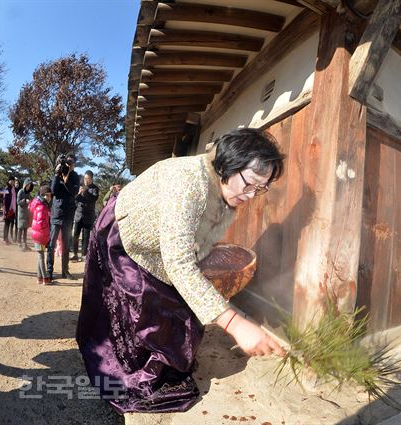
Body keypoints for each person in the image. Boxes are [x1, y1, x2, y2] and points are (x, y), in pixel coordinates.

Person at [77, 128, 285, 413]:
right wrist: (236, 324)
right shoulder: (188, 182)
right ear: (227, 164)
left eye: (261, 189)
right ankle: (127, 376)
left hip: (164, 251)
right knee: (137, 314)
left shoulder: (228, 194)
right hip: (124, 236)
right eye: (250, 183)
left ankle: (162, 367)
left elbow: (193, 247)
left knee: (182, 316)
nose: (252, 194)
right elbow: (178, 263)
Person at [48, 153, 80, 280]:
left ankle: (65, 271)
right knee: (51, 244)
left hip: (68, 215)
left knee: (66, 244)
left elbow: (74, 192)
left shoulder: (75, 176)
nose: (68, 165)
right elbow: (54, 191)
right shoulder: (58, 173)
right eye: (67, 162)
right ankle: (49, 271)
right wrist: (57, 175)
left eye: (71, 163)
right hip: (56, 214)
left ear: (74, 164)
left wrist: (67, 178)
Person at [71, 170, 99, 261]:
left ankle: (84, 255)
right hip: (78, 215)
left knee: (86, 237)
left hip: (88, 216)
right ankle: (75, 254)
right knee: (75, 236)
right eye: (85, 178)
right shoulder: (80, 187)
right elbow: (75, 200)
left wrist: (86, 191)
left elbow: (93, 199)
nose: (86, 180)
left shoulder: (95, 188)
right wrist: (79, 193)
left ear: (92, 179)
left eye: (88, 179)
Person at [30, 185, 53, 285]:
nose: (49, 198)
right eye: (48, 196)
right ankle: (45, 278)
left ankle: (39, 277)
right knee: (41, 257)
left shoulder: (41, 205)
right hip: (40, 235)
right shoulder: (42, 207)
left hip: (38, 234)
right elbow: (40, 222)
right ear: (43, 195)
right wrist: (46, 220)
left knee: (39, 257)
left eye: (50, 196)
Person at [16, 178, 35, 251]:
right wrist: (24, 200)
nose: (28, 187)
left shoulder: (28, 193)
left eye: (30, 186)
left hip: (26, 213)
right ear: (25, 185)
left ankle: (25, 244)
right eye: (28, 185)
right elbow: (18, 202)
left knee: (25, 229)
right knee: (20, 229)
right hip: (21, 213)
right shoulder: (20, 191)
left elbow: (31, 200)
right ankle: (19, 244)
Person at [2, 176, 17, 244]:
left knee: (9, 224)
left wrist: (14, 209)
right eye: (11, 181)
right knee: (6, 224)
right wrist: (5, 211)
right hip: (7, 210)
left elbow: (14, 199)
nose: (12, 182)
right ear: (8, 181)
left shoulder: (13, 189)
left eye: (13, 181)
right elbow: (4, 201)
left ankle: (7, 238)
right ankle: (5, 239)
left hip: (12, 210)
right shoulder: (6, 188)